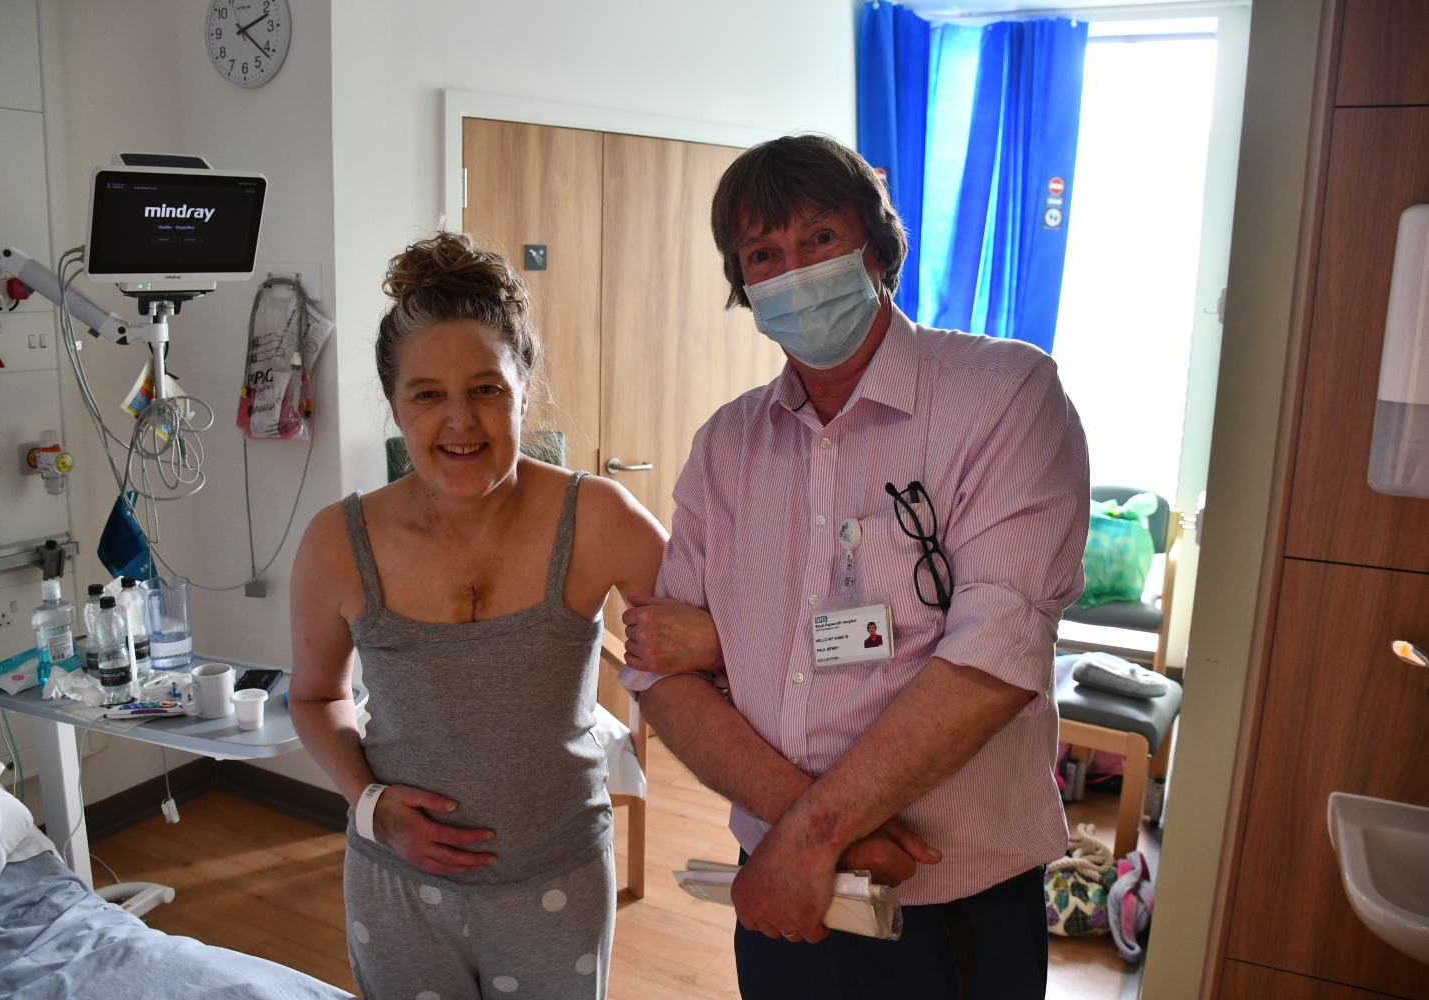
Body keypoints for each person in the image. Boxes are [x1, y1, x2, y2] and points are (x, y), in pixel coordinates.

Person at [620, 134, 1088, 999]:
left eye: (819, 240)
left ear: (875, 247)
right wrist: (808, 837)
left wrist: (807, 834)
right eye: (764, 254)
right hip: (780, 889)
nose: (792, 271)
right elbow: (657, 671)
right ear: (744, 287)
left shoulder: (1004, 398)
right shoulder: (728, 446)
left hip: (945, 894)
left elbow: (996, 656)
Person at [289, 232, 666, 1000]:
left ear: (524, 391)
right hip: (396, 891)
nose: (459, 422)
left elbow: (707, 640)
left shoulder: (596, 518)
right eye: (427, 394)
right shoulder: (339, 541)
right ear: (395, 406)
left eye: (487, 389)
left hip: (556, 879)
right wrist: (369, 804)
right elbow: (315, 696)